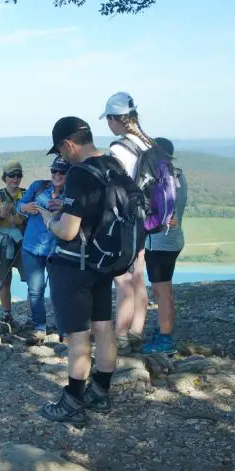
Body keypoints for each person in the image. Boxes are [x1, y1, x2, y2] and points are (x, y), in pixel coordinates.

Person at [36, 117, 122, 427]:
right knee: (104, 328)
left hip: (76, 266)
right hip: (104, 262)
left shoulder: (79, 175)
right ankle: (101, 392)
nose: (62, 157)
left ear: (69, 144)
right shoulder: (114, 165)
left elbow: (68, 230)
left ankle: (72, 400)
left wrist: (49, 218)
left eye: (61, 150)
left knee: (78, 335)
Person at [101, 91, 153, 355]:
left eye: (108, 119)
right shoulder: (148, 144)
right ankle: (136, 331)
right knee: (139, 277)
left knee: (121, 279)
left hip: (125, 221)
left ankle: (120, 335)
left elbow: (113, 189)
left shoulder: (118, 149)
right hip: (145, 219)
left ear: (114, 119)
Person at [143, 138, 188, 354]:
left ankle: (165, 338)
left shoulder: (161, 180)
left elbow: (156, 212)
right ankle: (164, 331)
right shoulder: (178, 175)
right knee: (165, 289)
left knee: (162, 291)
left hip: (160, 241)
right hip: (174, 238)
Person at [18, 156, 69, 343]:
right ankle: (39, 327)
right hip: (31, 247)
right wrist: (24, 206)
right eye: (54, 171)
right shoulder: (38, 187)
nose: (56, 175)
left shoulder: (71, 195)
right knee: (35, 290)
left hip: (56, 249)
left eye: (62, 172)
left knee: (59, 290)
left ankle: (65, 329)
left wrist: (64, 207)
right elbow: (19, 206)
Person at [0, 160, 27, 327]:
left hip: (22, 241)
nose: (15, 179)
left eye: (18, 175)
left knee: (31, 280)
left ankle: (32, 316)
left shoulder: (26, 194)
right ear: (5, 177)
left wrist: (19, 221)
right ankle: (7, 315)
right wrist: (2, 216)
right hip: (4, 243)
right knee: (4, 280)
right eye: (12, 175)